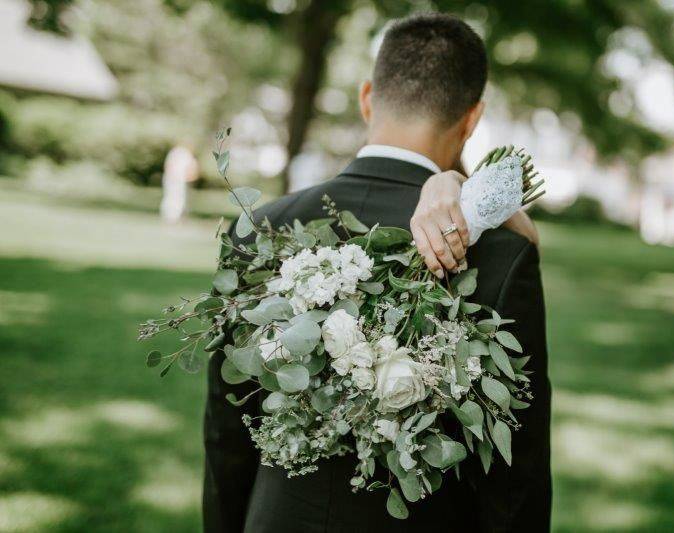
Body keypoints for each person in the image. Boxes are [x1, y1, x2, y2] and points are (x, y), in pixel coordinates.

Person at [203, 13, 550, 532]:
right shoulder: (499, 255)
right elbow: (513, 473)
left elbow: (228, 435)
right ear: (472, 118)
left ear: (368, 96)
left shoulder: (260, 230)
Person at [160, 143, 199, 223]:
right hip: (175, 180)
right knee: (174, 199)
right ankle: (171, 217)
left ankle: (175, 217)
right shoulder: (181, 153)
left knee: (178, 199)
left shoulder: (180, 153)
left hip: (178, 180)